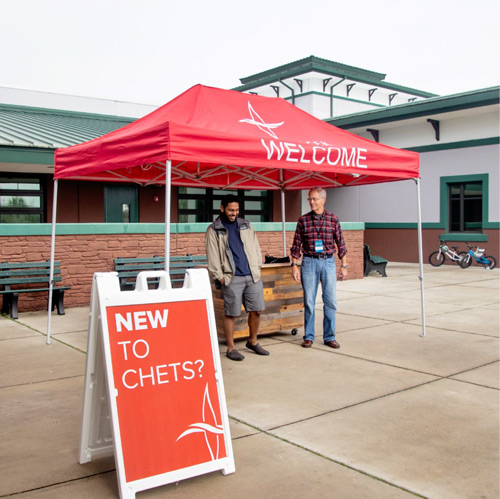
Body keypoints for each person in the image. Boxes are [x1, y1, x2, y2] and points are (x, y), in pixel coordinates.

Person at [205, 195, 269, 361]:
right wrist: (220, 277)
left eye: (236, 210)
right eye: (230, 210)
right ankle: (231, 348)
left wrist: (257, 267)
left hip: (252, 275)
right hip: (231, 278)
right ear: (222, 208)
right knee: (231, 313)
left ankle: (252, 341)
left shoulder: (246, 225)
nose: (234, 213)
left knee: (257, 310)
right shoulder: (214, 229)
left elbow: (255, 246)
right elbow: (212, 257)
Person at [290, 187, 348, 349]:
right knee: (309, 301)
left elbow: (341, 243)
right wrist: (294, 265)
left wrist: (344, 265)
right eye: (309, 199)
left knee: (330, 301)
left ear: (323, 199)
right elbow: (296, 245)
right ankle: (308, 336)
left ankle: (329, 336)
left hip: (328, 261)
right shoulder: (303, 220)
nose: (312, 202)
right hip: (309, 262)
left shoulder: (333, 219)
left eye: (314, 199)